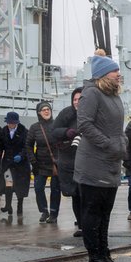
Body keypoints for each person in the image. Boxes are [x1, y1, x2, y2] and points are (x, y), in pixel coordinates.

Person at [75, 55, 127, 262]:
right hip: (94, 163)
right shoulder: (92, 93)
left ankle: (104, 255)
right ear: (104, 74)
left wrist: (122, 142)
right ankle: (94, 259)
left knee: (105, 213)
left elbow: (116, 127)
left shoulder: (113, 95)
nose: (118, 74)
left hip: (111, 161)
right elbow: (84, 124)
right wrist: (107, 144)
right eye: (115, 71)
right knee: (93, 213)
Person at [52, 88, 84, 235]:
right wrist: (66, 132)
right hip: (70, 160)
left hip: (88, 160)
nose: (77, 102)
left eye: (80, 99)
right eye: (75, 99)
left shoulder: (93, 113)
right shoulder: (66, 114)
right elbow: (53, 132)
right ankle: (82, 225)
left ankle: (88, 223)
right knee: (76, 194)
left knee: (88, 195)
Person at [27, 101, 61, 223]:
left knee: (55, 190)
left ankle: (53, 214)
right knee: (38, 188)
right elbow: (28, 145)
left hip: (55, 164)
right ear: (39, 113)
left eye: (48, 109)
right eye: (44, 109)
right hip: (40, 163)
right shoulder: (34, 127)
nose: (46, 111)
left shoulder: (57, 125)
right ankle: (44, 210)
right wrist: (33, 161)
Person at [0, 111, 30, 217]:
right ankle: (8, 205)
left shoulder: (24, 131)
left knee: (20, 186)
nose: (10, 124)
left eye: (12, 123)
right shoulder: (4, 130)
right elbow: (1, 144)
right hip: (8, 162)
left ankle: (19, 206)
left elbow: (27, 146)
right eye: (9, 122)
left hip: (21, 163)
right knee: (8, 183)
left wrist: (21, 156)